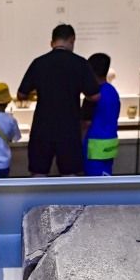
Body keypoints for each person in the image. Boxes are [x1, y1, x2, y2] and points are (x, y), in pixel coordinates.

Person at [17, 24, 100, 176]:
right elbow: (94, 96)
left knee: (38, 173)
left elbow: (21, 94)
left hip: (42, 127)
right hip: (69, 128)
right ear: (72, 40)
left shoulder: (39, 63)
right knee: (69, 175)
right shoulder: (80, 63)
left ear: (52, 42)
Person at [80, 53, 121, 176]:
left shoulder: (93, 95)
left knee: (94, 183)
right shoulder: (112, 91)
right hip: (110, 142)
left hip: (94, 146)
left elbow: (86, 123)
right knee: (106, 177)